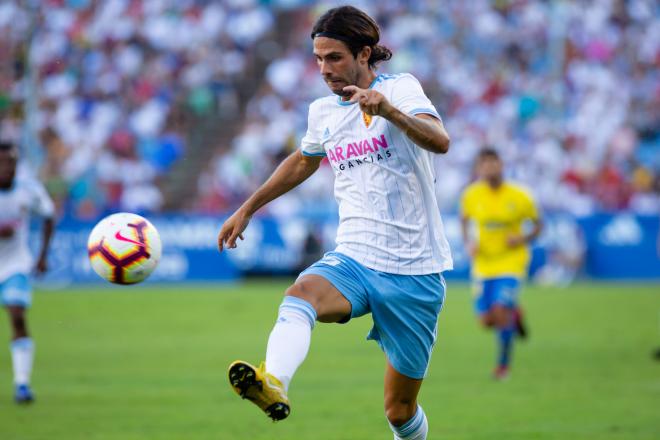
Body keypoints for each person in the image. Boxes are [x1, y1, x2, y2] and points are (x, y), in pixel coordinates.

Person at [217, 6, 452, 439]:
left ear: (364, 54)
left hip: (415, 273)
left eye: (334, 58)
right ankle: (273, 383)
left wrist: (390, 113)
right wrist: (248, 207)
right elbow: (304, 161)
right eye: (318, 59)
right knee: (301, 294)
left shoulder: (401, 88)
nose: (324, 69)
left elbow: (440, 141)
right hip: (355, 257)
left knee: (399, 412)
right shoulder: (323, 112)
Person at [460, 148, 542, 380]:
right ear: (478, 168)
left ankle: (503, 365)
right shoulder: (471, 195)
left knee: (499, 311)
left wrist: (522, 238)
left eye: (493, 163)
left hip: (511, 262)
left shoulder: (520, 195)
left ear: (501, 165)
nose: (489, 168)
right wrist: (468, 243)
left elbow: (538, 225)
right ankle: (515, 314)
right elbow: (464, 220)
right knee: (486, 321)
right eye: (484, 164)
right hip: (483, 264)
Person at [0, 141, 55, 403]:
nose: (6, 167)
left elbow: (49, 215)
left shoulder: (28, 189)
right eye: (1, 162)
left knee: (18, 316)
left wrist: (43, 256)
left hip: (14, 264)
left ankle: (22, 383)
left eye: (10, 162)